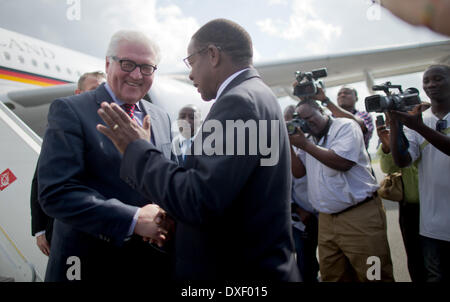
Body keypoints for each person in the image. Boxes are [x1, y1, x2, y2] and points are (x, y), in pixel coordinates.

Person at [97, 18, 300, 281]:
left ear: (213, 55)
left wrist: (138, 149)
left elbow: (200, 200)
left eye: (191, 62)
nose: (190, 74)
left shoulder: (239, 102)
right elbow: (231, 195)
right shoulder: (259, 95)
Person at [37, 30, 175, 281]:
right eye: (128, 64)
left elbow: (169, 177)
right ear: (107, 63)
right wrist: (132, 220)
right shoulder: (70, 110)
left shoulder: (160, 117)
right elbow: (56, 192)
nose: (136, 75)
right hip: (89, 267)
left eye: (147, 67)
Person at [289, 99, 394, 282]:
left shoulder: (345, 126)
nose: (307, 123)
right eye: (302, 120)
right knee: (333, 275)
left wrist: (305, 144)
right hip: (327, 220)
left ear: (322, 110)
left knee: (374, 275)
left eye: (310, 117)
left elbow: (342, 163)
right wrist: (288, 143)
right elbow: (298, 172)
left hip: (359, 216)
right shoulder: (310, 138)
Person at [31, 71, 106, 257]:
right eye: (95, 90)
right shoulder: (63, 128)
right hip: (63, 229)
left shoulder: (116, 128)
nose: (101, 96)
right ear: (78, 94)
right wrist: (40, 229)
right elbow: (40, 179)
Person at [389, 64, 450, 282]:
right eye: (426, 81)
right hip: (433, 228)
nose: (431, 84)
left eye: (438, 79)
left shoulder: (419, 124)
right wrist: (395, 123)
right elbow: (403, 161)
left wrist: (419, 127)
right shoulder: (418, 121)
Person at [376, 115, 426, 282]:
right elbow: (388, 167)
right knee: (416, 259)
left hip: (436, 204)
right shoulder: (394, 134)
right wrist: (387, 145)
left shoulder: (427, 128)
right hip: (410, 209)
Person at [285, 105, 319, 282]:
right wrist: (297, 210)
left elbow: (301, 172)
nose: (290, 125)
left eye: (293, 120)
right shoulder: (283, 147)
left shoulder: (313, 141)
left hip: (325, 213)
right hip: (301, 217)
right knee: (305, 262)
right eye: (286, 121)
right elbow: (287, 182)